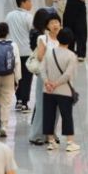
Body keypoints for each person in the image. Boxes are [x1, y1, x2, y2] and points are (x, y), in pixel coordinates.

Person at [40, 28, 80, 152]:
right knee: (66, 115)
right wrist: (56, 84)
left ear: (58, 38)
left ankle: (51, 141)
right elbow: (68, 75)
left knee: (48, 115)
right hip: (64, 91)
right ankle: (69, 142)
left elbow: (42, 69)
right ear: (70, 41)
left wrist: (47, 83)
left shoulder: (49, 53)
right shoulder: (71, 55)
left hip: (48, 90)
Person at [29, 11, 60, 145]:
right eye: (52, 22)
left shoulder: (63, 38)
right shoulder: (43, 38)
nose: (55, 25)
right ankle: (37, 135)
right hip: (45, 77)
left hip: (58, 78)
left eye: (57, 22)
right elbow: (40, 56)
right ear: (47, 25)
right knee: (42, 105)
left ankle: (51, 133)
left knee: (56, 107)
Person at [0, 22, 21, 137]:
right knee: (6, 101)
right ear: (7, 33)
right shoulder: (13, 45)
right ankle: (4, 125)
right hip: (9, 75)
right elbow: (17, 63)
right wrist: (17, 79)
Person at [6, 0, 34, 112]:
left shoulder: (9, 15)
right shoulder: (28, 17)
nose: (31, 4)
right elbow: (33, 32)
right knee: (27, 78)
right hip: (26, 51)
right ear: (23, 2)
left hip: (13, 51)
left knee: (17, 76)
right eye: (29, 1)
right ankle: (25, 103)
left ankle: (18, 100)